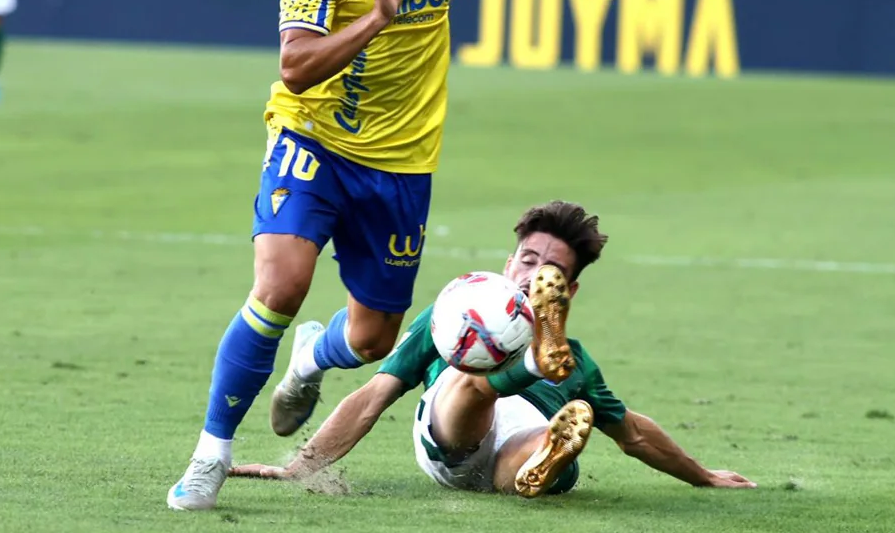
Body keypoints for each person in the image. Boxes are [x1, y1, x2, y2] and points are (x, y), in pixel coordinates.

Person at [167, 0, 469, 511]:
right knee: (279, 286)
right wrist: (375, 21)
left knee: (372, 338)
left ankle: (312, 356)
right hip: (313, 139)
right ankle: (211, 455)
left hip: (401, 166)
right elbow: (296, 65)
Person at [227, 201, 758, 497]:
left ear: (568, 292)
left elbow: (634, 435)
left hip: (518, 453)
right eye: (528, 261)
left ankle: (544, 460)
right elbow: (373, 396)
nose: (535, 275)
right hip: (453, 440)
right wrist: (304, 466)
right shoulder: (452, 317)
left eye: (552, 273)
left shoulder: (576, 364)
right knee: (470, 382)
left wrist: (704, 475)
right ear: (508, 265)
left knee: (546, 434)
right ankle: (525, 362)